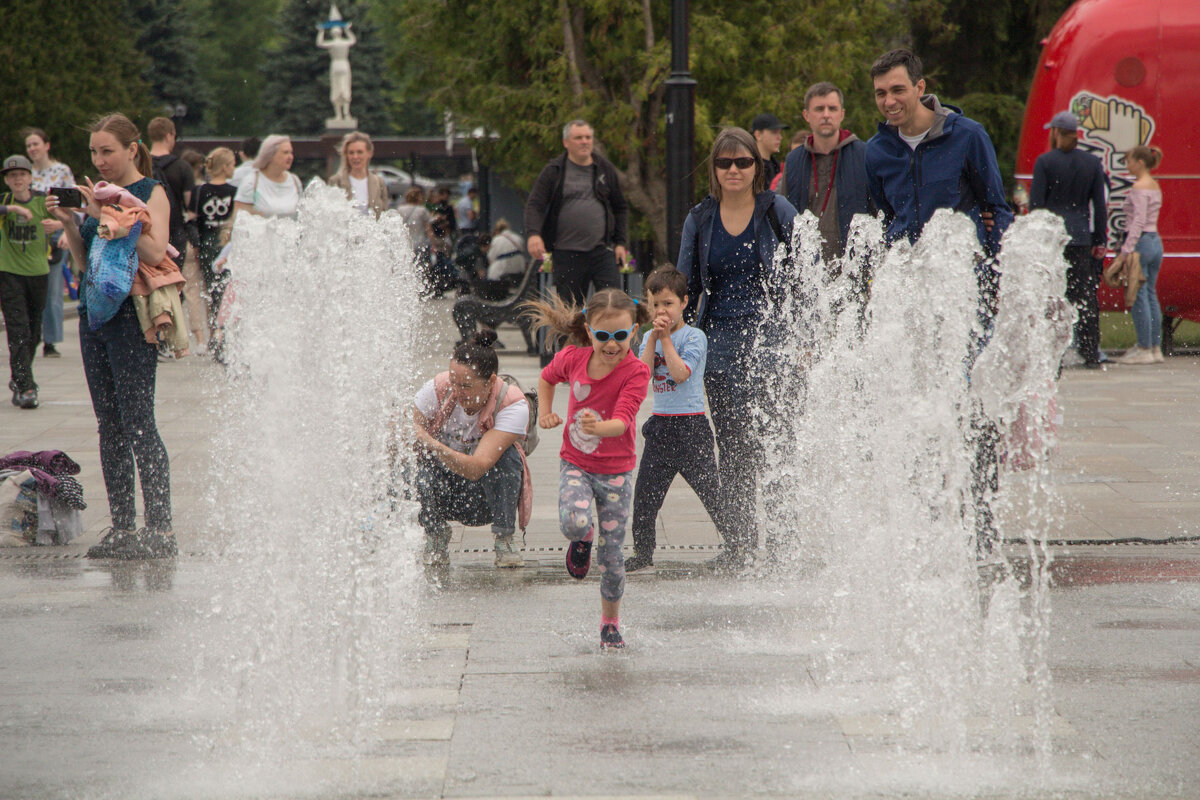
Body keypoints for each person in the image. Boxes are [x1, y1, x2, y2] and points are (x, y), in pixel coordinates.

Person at [864, 49, 1014, 559]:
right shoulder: (875, 151)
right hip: (909, 294)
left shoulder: (966, 136)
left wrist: (994, 276)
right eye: (881, 93)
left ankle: (982, 520)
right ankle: (926, 515)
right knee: (914, 406)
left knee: (970, 406)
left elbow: (997, 207)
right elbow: (883, 219)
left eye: (898, 90)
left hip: (962, 291)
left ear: (920, 86)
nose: (889, 101)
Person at [48, 113, 176, 559]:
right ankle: (123, 528)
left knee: (140, 422)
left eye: (108, 151)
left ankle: (160, 530)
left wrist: (109, 214)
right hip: (94, 318)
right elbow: (84, 264)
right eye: (94, 153)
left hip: (132, 316)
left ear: (132, 149)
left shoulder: (150, 192)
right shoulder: (95, 196)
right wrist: (70, 221)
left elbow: (156, 250)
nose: (100, 160)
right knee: (109, 426)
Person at [675, 127, 797, 567]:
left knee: (779, 440)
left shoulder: (776, 210)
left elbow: (806, 273)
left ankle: (785, 543)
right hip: (719, 340)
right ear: (714, 168)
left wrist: (804, 336)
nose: (733, 170)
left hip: (772, 335)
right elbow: (684, 281)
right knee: (732, 443)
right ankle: (741, 544)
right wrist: (668, 331)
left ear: (756, 167)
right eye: (724, 162)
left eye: (742, 162)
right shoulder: (700, 217)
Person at [527, 288, 651, 649]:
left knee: (613, 556)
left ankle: (610, 623)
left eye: (620, 336)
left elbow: (624, 421)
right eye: (602, 336)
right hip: (577, 463)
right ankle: (581, 541)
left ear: (634, 331)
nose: (611, 345)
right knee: (575, 521)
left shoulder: (636, 371)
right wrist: (547, 412)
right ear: (589, 330)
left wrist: (601, 427)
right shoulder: (574, 358)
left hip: (616, 471)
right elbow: (547, 378)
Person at [626, 268, 735, 573]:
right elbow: (642, 376)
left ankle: (738, 547)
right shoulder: (649, 336)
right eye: (656, 304)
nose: (662, 311)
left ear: (684, 302)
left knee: (712, 495)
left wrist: (667, 340)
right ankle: (643, 552)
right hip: (660, 427)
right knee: (645, 496)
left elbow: (679, 373)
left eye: (668, 304)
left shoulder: (695, 336)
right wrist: (652, 340)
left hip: (691, 427)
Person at [408, 331, 532, 569]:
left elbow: (477, 468)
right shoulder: (438, 388)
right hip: (445, 490)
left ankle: (504, 539)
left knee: (508, 457)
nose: (456, 391)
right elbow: (409, 432)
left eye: (465, 386)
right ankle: (435, 534)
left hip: (484, 497)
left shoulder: (512, 403)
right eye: (453, 382)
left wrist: (431, 442)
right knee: (415, 465)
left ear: (490, 381)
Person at [1030, 110, 1109, 369]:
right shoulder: (1092, 163)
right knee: (1085, 297)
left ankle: (1054, 353)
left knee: (1053, 298)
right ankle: (1090, 353)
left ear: (1055, 132)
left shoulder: (1044, 162)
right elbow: (1099, 205)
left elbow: (1036, 206)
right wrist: (1100, 239)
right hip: (1081, 238)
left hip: (1052, 241)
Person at [524, 120, 629, 305]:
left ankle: (610, 335)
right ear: (566, 142)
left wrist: (620, 243)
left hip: (602, 251)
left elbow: (620, 207)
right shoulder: (554, 171)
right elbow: (535, 205)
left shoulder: (605, 169)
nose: (585, 142)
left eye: (588, 137)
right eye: (578, 138)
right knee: (570, 317)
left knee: (613, 306)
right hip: (567, 254)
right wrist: (534, 234)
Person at [783, 82, 874, 262]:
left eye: (832, 108)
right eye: (819, 109)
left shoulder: (864, 155)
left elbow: (879, 213)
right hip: (807, 272)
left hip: (854, 270)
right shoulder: (794, 161)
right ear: (806, 115)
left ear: (842, 114)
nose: (826, 114)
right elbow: (784, 216)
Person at [0, 155, 52, 409]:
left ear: (30, 178)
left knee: (35, 332)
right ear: (7, 180)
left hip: (39, 273)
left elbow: (69, 217)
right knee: (18, 330)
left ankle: (19, 376)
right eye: (12, 176)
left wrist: (57, 224)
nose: (17, 179)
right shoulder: (5, 202)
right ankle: (26, 386)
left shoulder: (42, 200)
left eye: (22, 175)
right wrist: (13, 209)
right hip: (9, 273)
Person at [22, 128, 73, 359]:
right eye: (29, 146)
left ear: (46, 145)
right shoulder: (26, 174)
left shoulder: (61, 171)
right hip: (31, 237)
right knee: (30, 288)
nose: (33, 149)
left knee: (53, 290)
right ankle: (32, 334)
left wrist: (66, 230)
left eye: (36, 144)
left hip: (53, 235)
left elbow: (72, 204)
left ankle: (50, 340)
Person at [1113, 145, 1165, 365]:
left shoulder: (1138, 187)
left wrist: (1125, 252)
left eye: (1130, 161)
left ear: (1140, 163)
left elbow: (1138, 222)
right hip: (1155, 241)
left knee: (1138, 295)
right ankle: (1154, 346)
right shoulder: (1154, 186)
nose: (1128, 165)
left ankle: (1144, 347)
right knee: (1150, 293)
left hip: (1141, 242)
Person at [192, 147, 238, 338]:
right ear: (226, 166)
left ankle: (214, 332)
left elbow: (196, 220)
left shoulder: (200, 191)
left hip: (206, 245)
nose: (235, 169)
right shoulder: (234, 192)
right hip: (226, 245)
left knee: (211, 291)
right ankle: (224, 331)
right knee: (228, 289)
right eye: (233, 165)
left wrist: (196, 245)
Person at [147, 117, 194, 265]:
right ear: (169, 135)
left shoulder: (140, 164)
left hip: (146, 230)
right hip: (174, 230)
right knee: (173, 277)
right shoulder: (182, 167)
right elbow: (189, 202)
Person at [233, 135, 302, 219]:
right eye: (285, 152)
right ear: (270, 154)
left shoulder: (294, 180)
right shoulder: (251, 182)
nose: (290, 157)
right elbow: (238, 220)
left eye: (291, 152)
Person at [327, 131, 388, 217]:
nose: (355, 157)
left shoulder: (379, 182)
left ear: (369, 153)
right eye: (351, 153)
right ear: (346, 155)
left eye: (360, 152)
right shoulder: (336, 181)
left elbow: (384, 214)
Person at [750, 113, 788, 187]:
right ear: (758, 135)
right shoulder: (748, 166)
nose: (780, 137)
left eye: (779, 133)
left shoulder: (777, 167)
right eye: (774, 132)